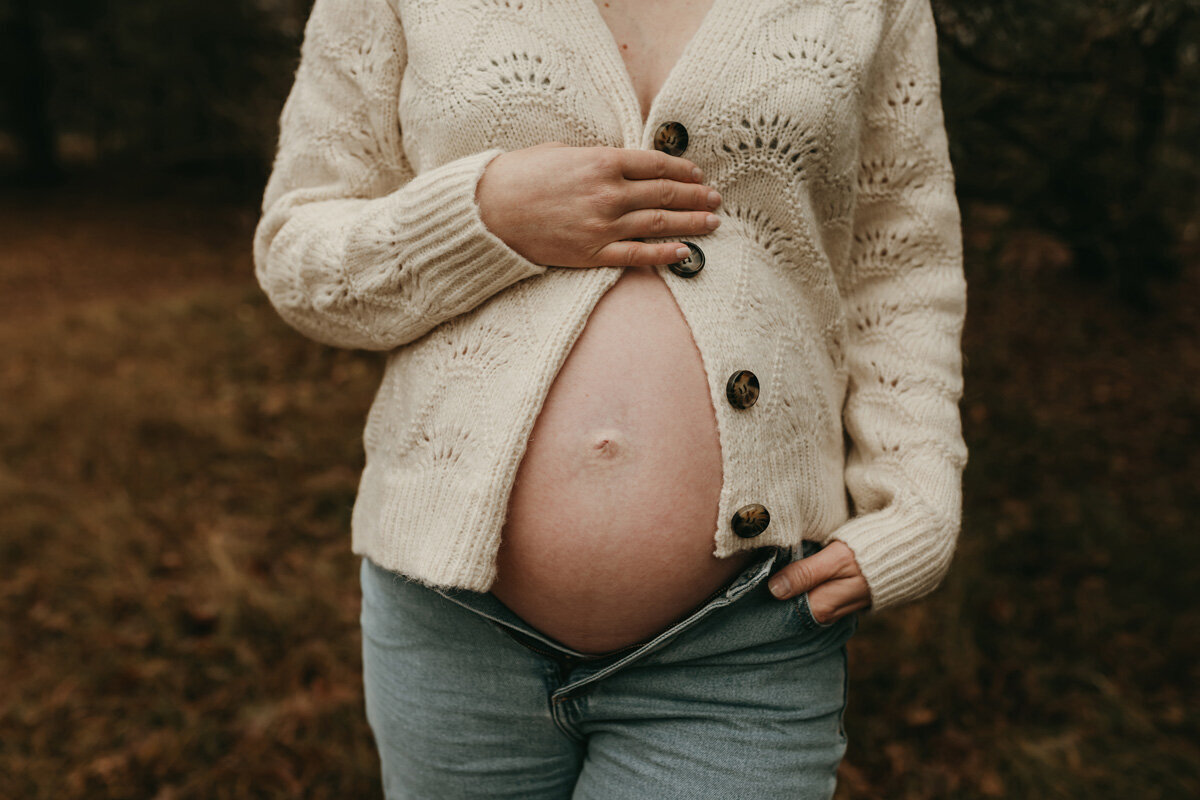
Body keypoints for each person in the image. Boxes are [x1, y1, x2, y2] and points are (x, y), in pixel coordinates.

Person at [252, 0, 968, 796]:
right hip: (453, 634)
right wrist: (483, 213)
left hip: (742, 641)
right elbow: (299, 260)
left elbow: (901, 262)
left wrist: (920, 493)